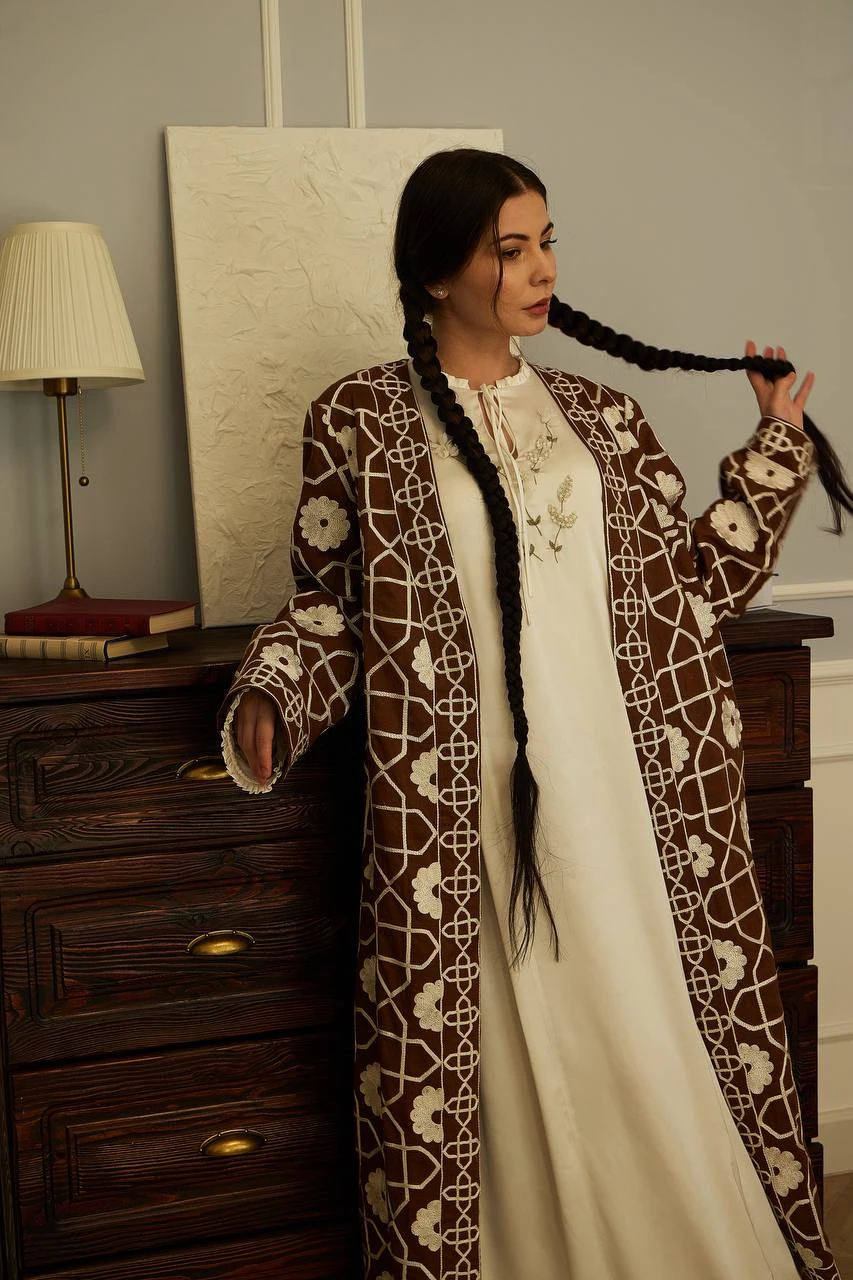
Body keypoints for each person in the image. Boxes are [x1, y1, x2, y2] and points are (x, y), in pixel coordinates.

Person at [220, 149, 849, 1280]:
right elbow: (333, 604)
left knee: (640, 1032)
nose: (542, 268)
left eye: (546, 240)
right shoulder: (359, 418)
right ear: (434, 271)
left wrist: (772, 452)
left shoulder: (604, 418)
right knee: (491, 1057)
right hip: (460, 810)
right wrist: (274, 688)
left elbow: (689, 587)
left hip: (623, 799)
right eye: (508, 249)